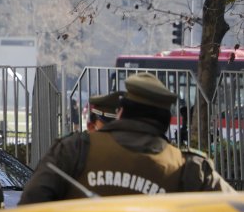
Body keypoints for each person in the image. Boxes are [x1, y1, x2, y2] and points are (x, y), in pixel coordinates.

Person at [20, 73, 233, 203]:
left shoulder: (73, 150)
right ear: (166, 122)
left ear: (120, 112)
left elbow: (30, 210)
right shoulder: (189, 169)